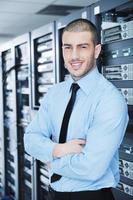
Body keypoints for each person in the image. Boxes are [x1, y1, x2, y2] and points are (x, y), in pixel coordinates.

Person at [24, 19, 129, 200]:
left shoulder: (110, 100)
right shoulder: (55, 93)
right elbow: (30, 139)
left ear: (96, 50)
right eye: (67, 47)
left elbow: (91, 168)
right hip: (55, 193)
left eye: (82, 47)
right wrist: (58, 149)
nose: (74, 56)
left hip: (92, 196)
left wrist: (50, 159)